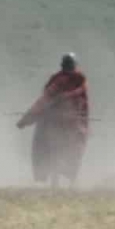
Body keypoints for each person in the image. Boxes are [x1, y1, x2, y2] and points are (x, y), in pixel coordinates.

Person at [16, 53, 91, 186]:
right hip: (63, 124)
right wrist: (27, 119)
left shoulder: (74, 80)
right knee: (62, 150)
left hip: (68, 123)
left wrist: (26, 119)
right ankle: (62, 182)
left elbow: (44, 102)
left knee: (68, 150)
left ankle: (65, 183)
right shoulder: (70, 80)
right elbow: (45, 101)